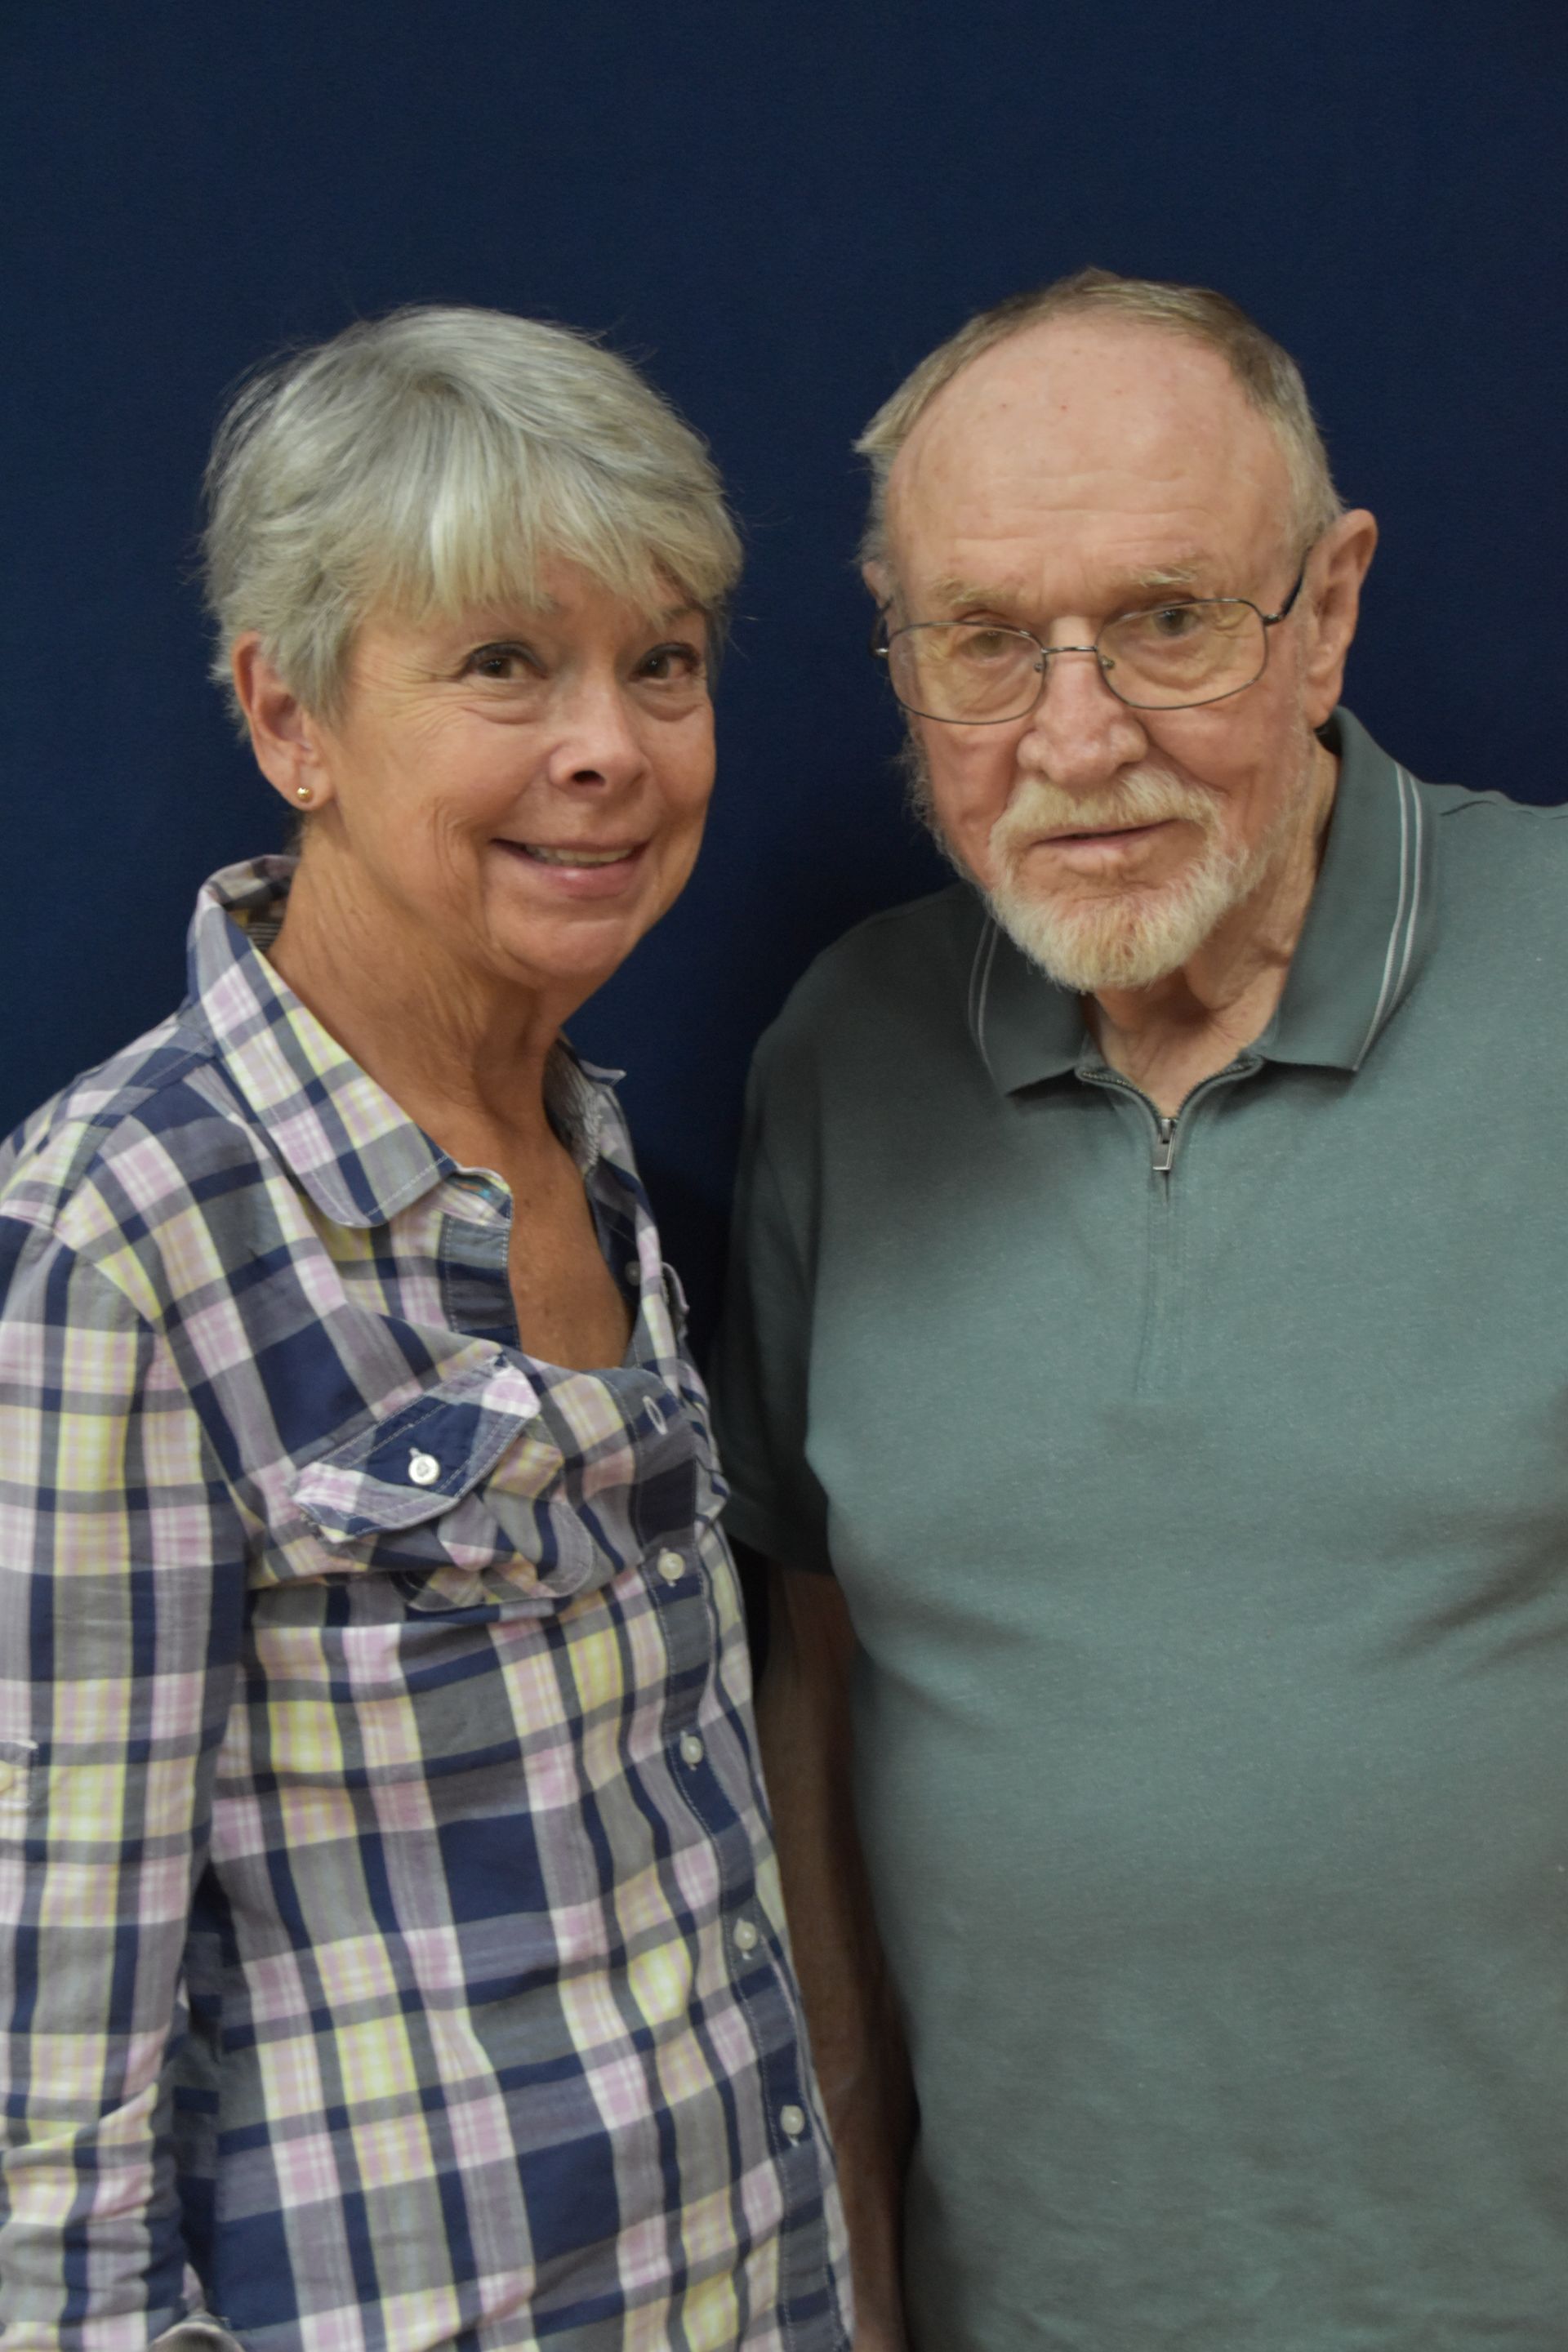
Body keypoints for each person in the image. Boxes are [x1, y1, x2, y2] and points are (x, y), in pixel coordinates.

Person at [712, 265, 1568, 2351]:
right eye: (985, 641)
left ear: (1330, 609)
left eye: (1170, 620)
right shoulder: (841, 1059)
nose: (1076, 739)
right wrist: (856, 2239)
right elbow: (815, 1676)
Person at [0, 306, 849, 2352]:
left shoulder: (592, 1150)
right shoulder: (123, 1237)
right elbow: (38, 2119)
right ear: (288, 718)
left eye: (663, 663)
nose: (611, 746)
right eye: (503, 664)